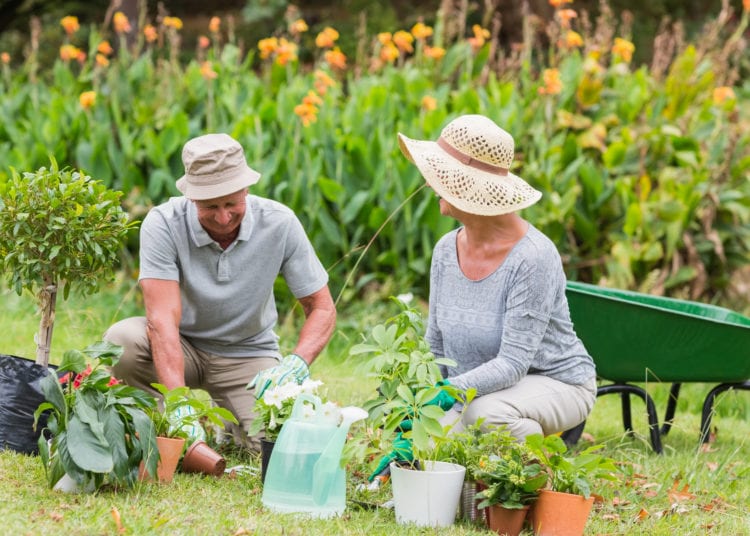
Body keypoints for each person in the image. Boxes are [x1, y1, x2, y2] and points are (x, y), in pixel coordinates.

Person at [104, 133, 336, 451]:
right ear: (192, 198)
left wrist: (295, 363)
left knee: (277, 444)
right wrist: (178, 402)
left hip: (247, 353)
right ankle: (159, 426)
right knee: (122, 341)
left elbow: (321, 307)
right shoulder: (163, 224)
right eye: (210, 206)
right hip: (180, 347)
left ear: (247, 189)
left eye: (231, 204)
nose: (223, 217)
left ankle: (230, 425)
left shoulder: (280, 223)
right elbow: (161, 319)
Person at [397, 114, 597, 440]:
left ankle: (543, 453)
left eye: (441, 173)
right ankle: (499, 446)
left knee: (485, 416)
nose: (430, 182)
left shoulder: (533, 257)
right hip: (477, 392)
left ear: (471, 187)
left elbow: (513, 363)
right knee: (430, 444)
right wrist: (422, 411)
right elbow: (435, 343)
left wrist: (450, 392)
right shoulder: (446, 250)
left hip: (556, 383)